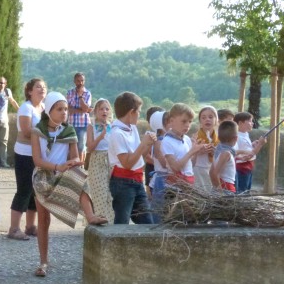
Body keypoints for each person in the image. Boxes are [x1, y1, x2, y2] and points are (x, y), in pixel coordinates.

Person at [31, 92, 107, 277]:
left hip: (63, 172)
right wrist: (58, 166)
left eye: (65, 109)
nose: (64, 112)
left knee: (79, 175)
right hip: (43, 177)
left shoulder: (69, 131)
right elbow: (37, 160)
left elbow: (74, 156)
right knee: (43, 220)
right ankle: (43, 262)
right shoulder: (37, 131)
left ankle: (90, 216)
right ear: (49, 111)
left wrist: (73, 163)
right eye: (59, 109)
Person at [107, 92, 156, 225]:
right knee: (122, 223)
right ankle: (116, 246)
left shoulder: (132, 128)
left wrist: (148, 143)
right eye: (138, 112)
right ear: (131, 112)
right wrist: (142, 144)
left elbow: (138, 156)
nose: (139, 115)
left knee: (147, 223)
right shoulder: (116, 133)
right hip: (122, 182)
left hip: (137, 180)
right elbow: (127, 163)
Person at [8, 78, 46, 240]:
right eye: (38, 86)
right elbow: (26, 131)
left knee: (35, 191)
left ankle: (30, 226)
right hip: (24, 154)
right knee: (24, 190)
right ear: (29, 91)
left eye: (44, 87)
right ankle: (14, 228)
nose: (42, 89)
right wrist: (48, 133)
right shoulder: (26, 108)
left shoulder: (43, 108)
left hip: (38, 155)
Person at [161, 103, 209, 185]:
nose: (187, 125)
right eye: (184, 121)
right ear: (172, 121)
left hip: (189, 182)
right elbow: (175, 168)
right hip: (176, 185)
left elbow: (191, 165)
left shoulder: (186, 139)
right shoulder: (167, 141)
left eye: (190, 122)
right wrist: (191, 152)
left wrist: (195, 152)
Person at [86, 98, 115, 224]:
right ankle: (98, 218)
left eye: (107, 109)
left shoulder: (112, 126)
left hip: (110, 161)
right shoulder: (91, 127)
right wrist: (101, 136)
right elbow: (90, 147)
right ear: (96, 111)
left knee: (110, 193)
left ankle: (110, 220)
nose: (104, 111)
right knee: (99, 191)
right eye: (101, 108)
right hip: (97, 160)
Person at [233, 111, 266, 194]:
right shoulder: (238, 136)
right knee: (242, 190)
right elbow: (250, 154)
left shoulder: (245, 134)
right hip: (242, 168)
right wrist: (260, 145)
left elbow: (245, 148)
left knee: (247, 188)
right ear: (240, 123)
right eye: (250, 121)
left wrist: (252, 144)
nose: (252, 123)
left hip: (248, 167)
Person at [65, 72, 93, 158]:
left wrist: (80, 96)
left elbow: (85, 109)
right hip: (71, 124)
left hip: (83, 125)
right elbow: (68, 109)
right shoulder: (69, 93)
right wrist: (82, 110)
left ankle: (80, 167)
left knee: (81, 147)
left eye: (82, 80)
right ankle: (71, 167)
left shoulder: (87, 93)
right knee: (70, 147)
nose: (80, 83)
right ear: (74, 81)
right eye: (78, 81)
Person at [192, 106, 219, 190]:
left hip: (213, 170)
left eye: (211, 117)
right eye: (203, 117)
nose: (207, 119)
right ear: (200, 121)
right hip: (198, 170)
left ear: (216, 120)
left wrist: (216, 152)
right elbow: (189, 155)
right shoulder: (195, 138)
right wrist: (198, 151)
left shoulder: (219, 139)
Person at [210, 120, 239, 193]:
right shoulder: (226, 153)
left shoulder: (217, 151)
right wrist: (220, 193)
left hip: (222, 186)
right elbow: (214, 174)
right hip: (226, 187)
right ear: (236, 138)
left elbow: (211, 172)